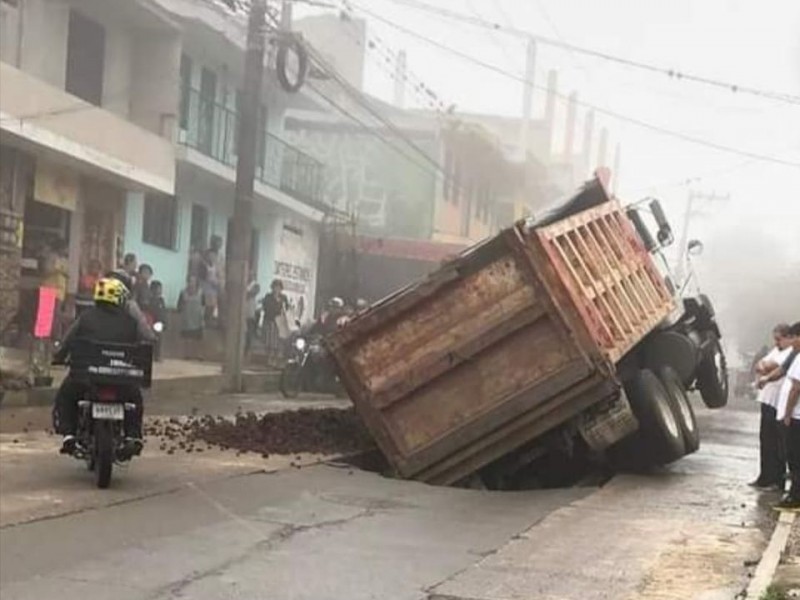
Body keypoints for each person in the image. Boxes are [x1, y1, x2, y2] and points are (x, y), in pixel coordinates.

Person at [52, 276, 147, 457]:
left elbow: (68, 341)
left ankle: (69, 435)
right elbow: (143, 345)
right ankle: (133, 436)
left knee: (66, 396)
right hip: (122, 380)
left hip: (86, 378)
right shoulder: (131, 322)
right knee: (135, 399)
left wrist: (58, 357)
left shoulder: (85, 318)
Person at [750, 324, 793, 489]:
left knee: (776, 443)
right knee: (765, 440)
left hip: (778, 402)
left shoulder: (790, 354)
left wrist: (765, 368)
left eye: (779, 339)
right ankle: (765, 476)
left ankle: (777, 479)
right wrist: (764, 366)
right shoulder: (777, 351)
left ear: (789, 338)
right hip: (767, 399)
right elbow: (760, 364)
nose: (776, 343)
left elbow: (771, 367)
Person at [774, 322, 800, 510]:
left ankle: (795, 496)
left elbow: (796, 388)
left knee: (794, 457)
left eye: (794, 337)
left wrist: (788, 414)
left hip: (797, 416)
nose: (792, 342)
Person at [40, 238, 69, 338]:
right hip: (49, 288)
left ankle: (52, 342)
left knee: (55, 318)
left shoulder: (64, 260)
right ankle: (42, 342)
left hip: (60, 291)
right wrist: (57, 270)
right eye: (65, 248)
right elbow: (46, 271)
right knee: (46, 318)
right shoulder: (50, 257)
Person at [261, 279, 289, 367]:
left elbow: (286, 309)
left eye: (279, 287)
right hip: (270, 321)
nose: (277, 289)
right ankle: (269, 359)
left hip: (279, 323)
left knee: (278, 342)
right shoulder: (268, 297)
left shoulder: (284, 298)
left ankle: (276, 360)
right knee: (270, 341)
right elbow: (267, 308)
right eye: (275, 287)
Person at [177, 275, 205, 360]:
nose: (192, 283)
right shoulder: (183, 292)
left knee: (198, 338)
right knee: (187, 337)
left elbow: (204, 305)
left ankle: (198, 355)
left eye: (193, 281)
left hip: (198, 317)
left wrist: (203, 317)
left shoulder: (201, 292)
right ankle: (187, 354)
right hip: (187, 318)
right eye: (190, 281)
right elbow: (179, 306)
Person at [149, 280, 167, 362]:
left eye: (161, 288)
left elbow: (163, 312)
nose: (160, 290)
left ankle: (158, 356)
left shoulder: (161, 300)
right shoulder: (150, 300)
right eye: (158, 288)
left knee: (159, 339)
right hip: (151, 321)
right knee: (151, 339)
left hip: (159, 322)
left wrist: (165, 322)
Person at [245, 276, 261, 355]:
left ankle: (247, 351)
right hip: (241, 313)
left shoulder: (255, 286)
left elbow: (253, 292)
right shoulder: (243, 284)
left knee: (249, 333)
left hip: (250, 313)